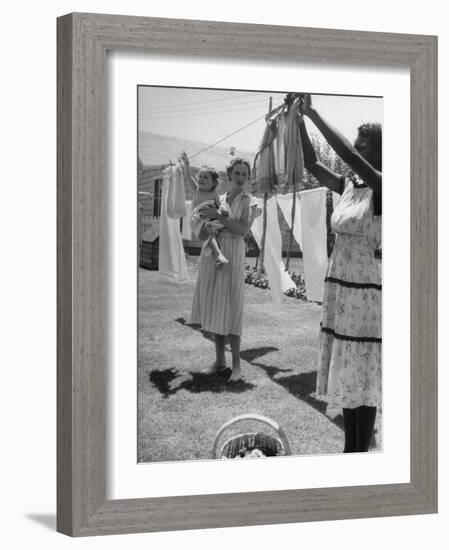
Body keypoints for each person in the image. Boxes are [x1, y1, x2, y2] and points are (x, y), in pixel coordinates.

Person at [299, 93, 382, 453]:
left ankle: (358, 450)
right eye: (358, 143)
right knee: (349, 370)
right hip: (341, 288)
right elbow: (312, 163)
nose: (357, 150)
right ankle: (353, 447)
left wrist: (313, 111)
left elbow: (346, 154)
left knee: (361, 369)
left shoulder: (384, 187)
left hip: (365, 291)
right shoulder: (351, 187)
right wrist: (297, 120)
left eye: (365, 146)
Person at [190, 158, 260, 382]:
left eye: (244, 174)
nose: (241, 177)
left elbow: (241, 230)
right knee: (217, 304)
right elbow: (200, 232)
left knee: (232, 304)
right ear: (229, 175)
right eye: (237, 173)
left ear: (248, 177)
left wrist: (220, 217)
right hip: (214, 251)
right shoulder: (217, 199)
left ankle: (237, 365)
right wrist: (206, 226)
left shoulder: (250, 201)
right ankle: (220, 361)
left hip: (234, 250)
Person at [181, 152, 229, 265]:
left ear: (213, 183)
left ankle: (216, 255)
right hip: (197, 220)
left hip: (209, 220)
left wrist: (223, 210)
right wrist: (187, 163)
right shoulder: (197, 189)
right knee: (209, 231)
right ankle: (218, 254)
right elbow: (188, 177)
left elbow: (219, 207)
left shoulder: (214, 194)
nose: (201, 179)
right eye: (200, 177)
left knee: (214, 232)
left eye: (205, 177)